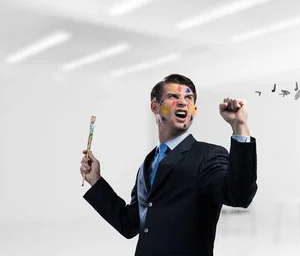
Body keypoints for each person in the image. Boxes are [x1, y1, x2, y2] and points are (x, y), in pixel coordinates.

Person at [79, 74, 258, 256]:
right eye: (173, 96)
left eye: (188, 98)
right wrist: (96, 180)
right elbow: (129, 224)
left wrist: (240, 127)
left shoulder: (208, 155)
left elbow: (239, 196)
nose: (182, 102)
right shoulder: (149, 163)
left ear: (193, 110)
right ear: (155, 106)